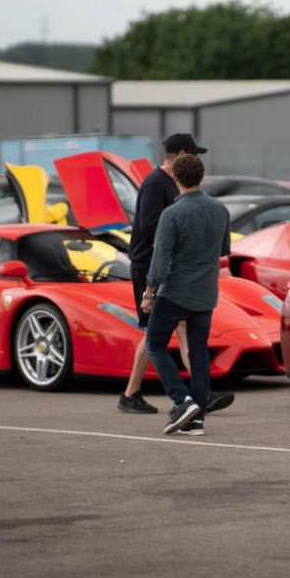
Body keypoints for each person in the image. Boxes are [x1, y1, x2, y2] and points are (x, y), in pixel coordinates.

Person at [143, 154, 234, 436]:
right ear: (202, 176)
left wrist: (149, 291)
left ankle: (182, 400)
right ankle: (196, 421)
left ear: (175, 178)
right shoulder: (220, 210)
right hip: (206, 292)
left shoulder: (171, 214)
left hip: (175, 291)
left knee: (155, 344)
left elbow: (161, 257)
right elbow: (224, 250)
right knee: (198, 353)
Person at [116, 133, 204, 414]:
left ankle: (132, 394)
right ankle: (198, 392)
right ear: (180, 155)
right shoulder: (155, 184)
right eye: (194, 155)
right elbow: (150, 225)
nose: (198, 161)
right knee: (165, 329)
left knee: (168, 328)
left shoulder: (172, 183)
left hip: (166, 264)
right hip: (148, 265)